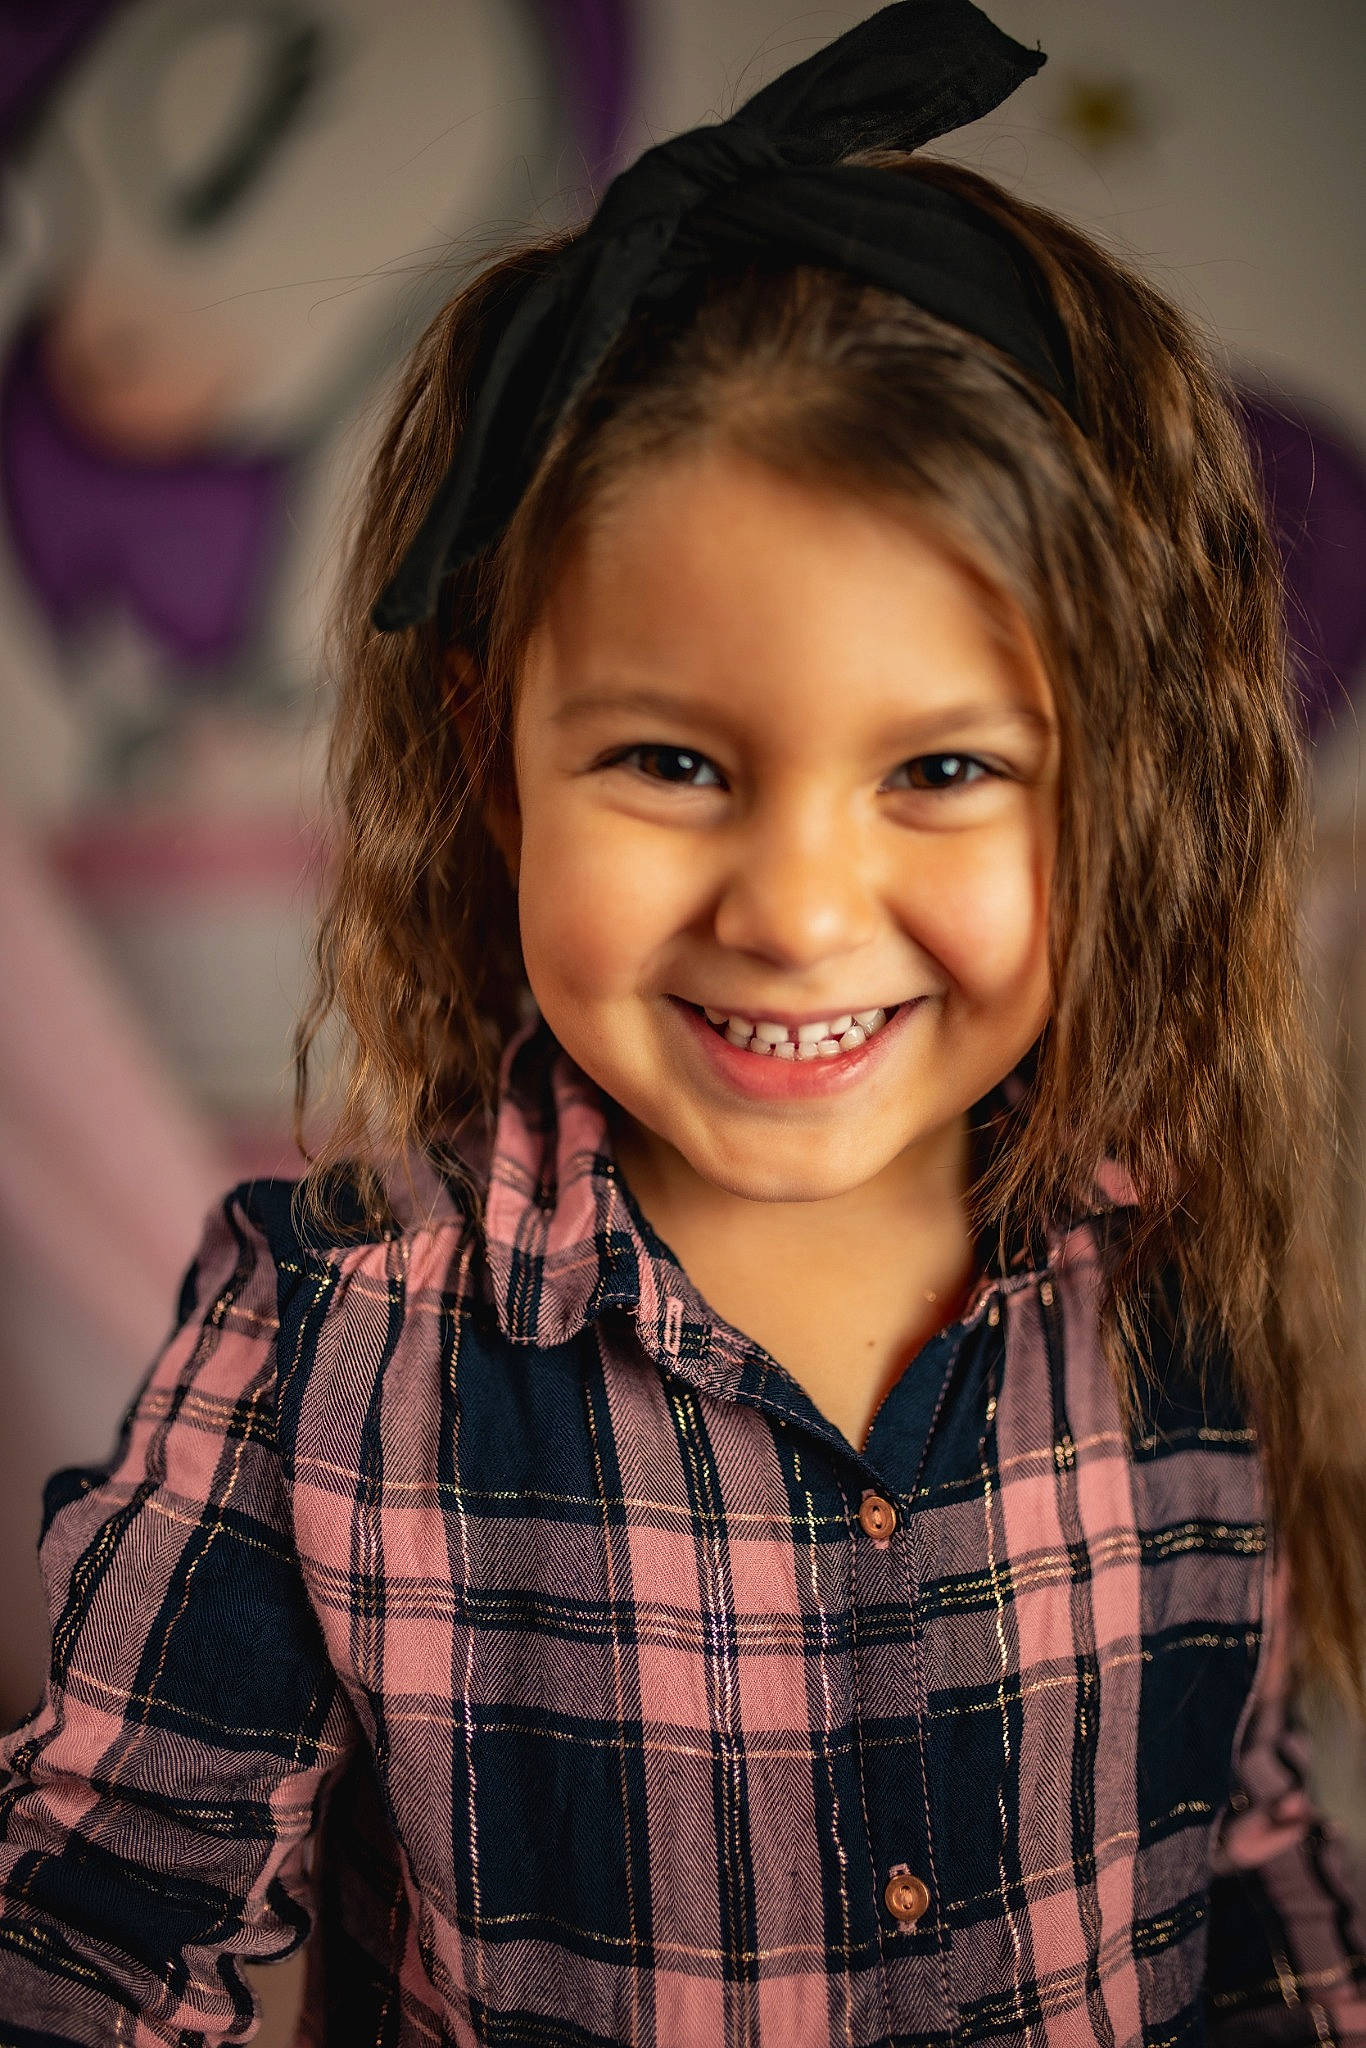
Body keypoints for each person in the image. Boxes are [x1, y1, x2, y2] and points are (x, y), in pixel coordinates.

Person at [2, 2, 1364, 2040]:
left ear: (1124, 784)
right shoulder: (322, 1357)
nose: (796, 912)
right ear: (493, 755)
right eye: (669, 759)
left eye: (943, 770)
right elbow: (91, 1942)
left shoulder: (1176, 1306)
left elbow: (1243, 1868)